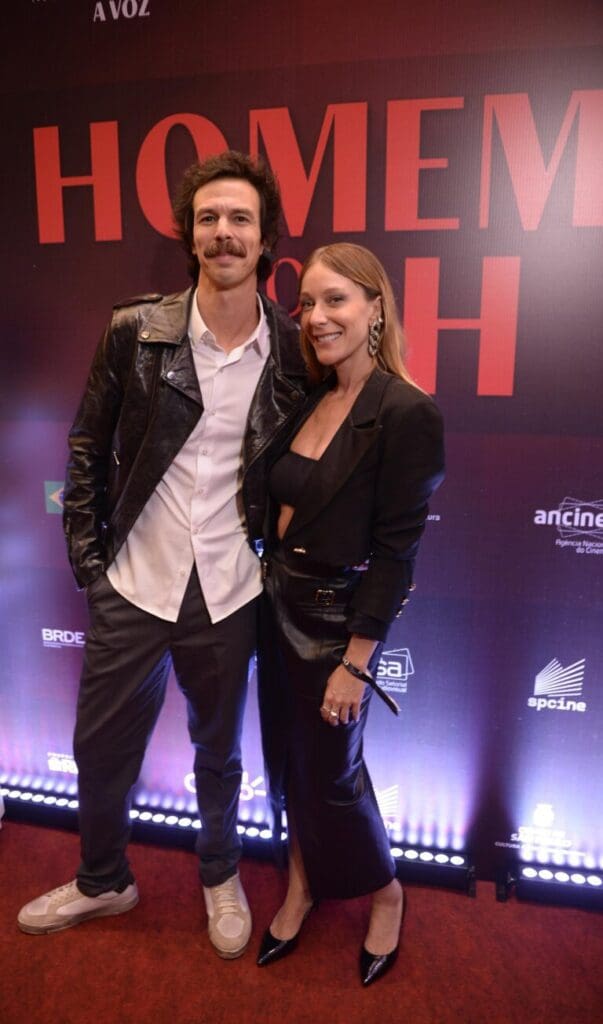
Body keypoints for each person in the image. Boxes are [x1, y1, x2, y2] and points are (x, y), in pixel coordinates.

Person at [17, 151, 308, 959]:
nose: (223, 232)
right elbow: (85, 445)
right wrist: (89, 563)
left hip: (230, 588)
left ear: (264, 239)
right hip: (133, 584)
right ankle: (103, 878)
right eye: (209, 218)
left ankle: (221, 874)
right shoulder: (133, 330)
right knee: (99, 747)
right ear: (190, 234)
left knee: (220, 752)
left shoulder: (290, 352)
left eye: (240, 219)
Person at [255, 243, 445, 985]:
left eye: (336, 300)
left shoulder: (406, 411)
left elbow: (397, 555)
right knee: (288, 764)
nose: (317, 316)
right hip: (271, 608)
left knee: (334, 774)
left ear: (375, 308)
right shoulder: (311, 396)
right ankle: (301, 884)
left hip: (335, 623)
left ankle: (386, 893)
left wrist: (354, 661)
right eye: (307, 303)